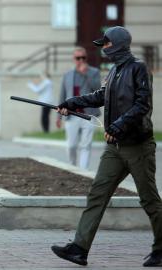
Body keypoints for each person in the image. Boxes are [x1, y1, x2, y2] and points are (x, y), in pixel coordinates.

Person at [51, 26, 162, 267]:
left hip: (138, 147)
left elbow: (143, 104)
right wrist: (72, 103)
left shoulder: (138, 68)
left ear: (120, 44)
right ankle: (79, 249)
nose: (104, 49)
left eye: (107, 44)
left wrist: (118, 126)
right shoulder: (114, 71)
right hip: (114, 149)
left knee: (149, 199)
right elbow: (100, 96)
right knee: (96, 195)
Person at [57, 47, 101, 169]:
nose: (81, 60)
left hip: (89, 114)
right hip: (71, 114)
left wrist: (86, 74)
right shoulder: (68, 75)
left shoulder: (94, 72)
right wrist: (59, 116)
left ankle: (83, 171)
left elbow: (98, 89)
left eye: (83, 57)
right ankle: (72, 167)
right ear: (74, 59)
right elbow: (63, 95)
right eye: (78, 58)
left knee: (86, 145)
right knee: (71, 145)